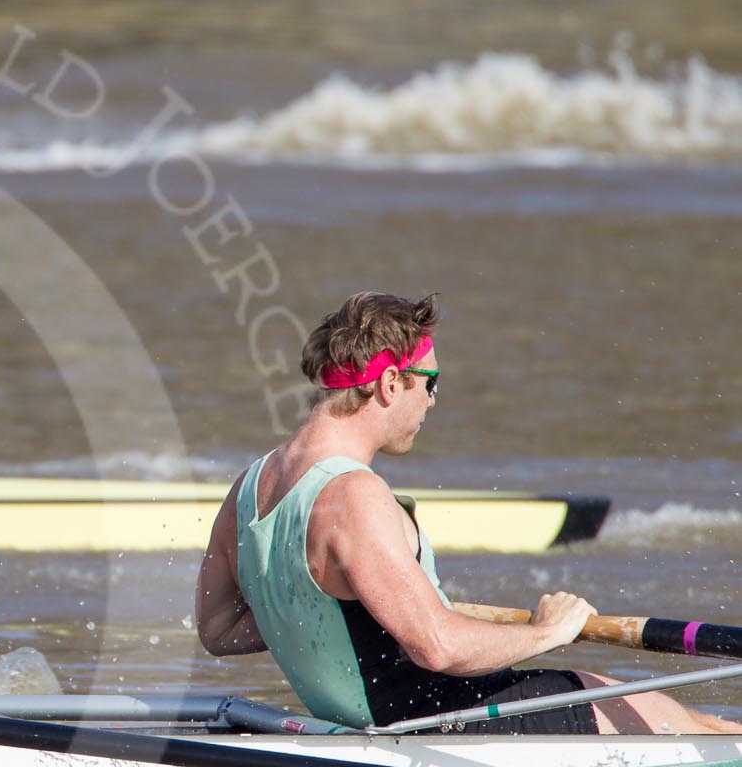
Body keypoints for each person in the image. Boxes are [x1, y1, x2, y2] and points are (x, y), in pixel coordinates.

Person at [195, 290, 741, 734]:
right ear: (390, 384)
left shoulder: (251, 484)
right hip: (421, 719)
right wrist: (544, 631)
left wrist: (322, 610)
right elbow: (437, 648)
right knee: (686, 726)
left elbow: (219, 629)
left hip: (356, 715)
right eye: (429, 385)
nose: (432, 401)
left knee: (693, 719)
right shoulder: (352, 496)